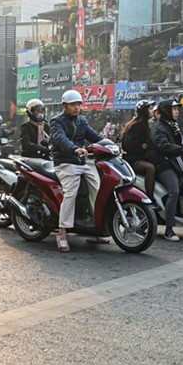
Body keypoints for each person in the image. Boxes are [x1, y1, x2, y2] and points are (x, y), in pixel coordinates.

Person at [49, 89, 106, 252]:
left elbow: (94, 136)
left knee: (99, 189)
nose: (77, 107)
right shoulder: (56, 121)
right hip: (65, 162)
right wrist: (75, 149)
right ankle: (62, 233)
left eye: (79, 104)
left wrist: (109, 144)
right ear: (65, 106)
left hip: (84, 162)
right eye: (73, 105)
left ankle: (97, 227)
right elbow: (60, 139)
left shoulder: (82, 121)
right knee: (70, 193)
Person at [147, 98, 183, 241]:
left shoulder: (172, 126)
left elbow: (180, 142)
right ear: (166, 111)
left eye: (177, 109)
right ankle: (169, 229)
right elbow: (163, 146)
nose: (177, 111)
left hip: (174, 162)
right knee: (174, 190)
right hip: (163, 164)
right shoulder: (158, 128)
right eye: (174, 109)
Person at [121, 100, 157, 206]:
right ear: (144, 111)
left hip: (141, 156)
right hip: (134, 159)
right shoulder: (137, 125)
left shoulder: (147, 124)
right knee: (150, 168)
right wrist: (142, 146)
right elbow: (129, 144)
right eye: (150, 109)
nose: (152, 111)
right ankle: (150, 197)